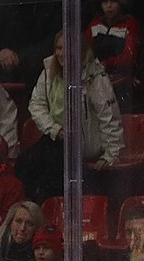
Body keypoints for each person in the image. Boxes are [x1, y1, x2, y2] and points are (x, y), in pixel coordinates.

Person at [20, 30, 125, 202]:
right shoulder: (49, 71)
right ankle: (38, 211)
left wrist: (110, 155)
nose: (61, 54)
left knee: (54, 165)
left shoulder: (95, 77)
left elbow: (109, 117)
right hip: (58, 136)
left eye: (67, 49)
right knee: (24, 163)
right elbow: (36, 104)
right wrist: (56, 130)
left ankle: (57, 211)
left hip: (84, 142)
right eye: (58, 48)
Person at [89, 0, 141, 108]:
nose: (109, 5)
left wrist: (107, 63)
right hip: (96, 80)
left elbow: (130, 55)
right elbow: (86, 52)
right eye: (105, 1)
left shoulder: (130, 24)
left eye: (113, 1)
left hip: (122, 81)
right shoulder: (94, 24)